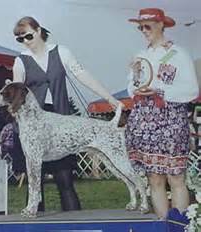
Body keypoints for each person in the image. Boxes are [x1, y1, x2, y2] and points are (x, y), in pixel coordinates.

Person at [12, 16, 122, 211]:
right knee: (34, 183)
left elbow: (83, 76)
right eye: (20, 39)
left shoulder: (61, 52)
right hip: (33, 124)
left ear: (38, 31)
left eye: (28, 36)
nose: (26, 42)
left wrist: (110, 98)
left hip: (61, 121)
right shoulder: (20, 61)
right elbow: (16, 90)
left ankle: (76, 226)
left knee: (65, 181)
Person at [125, 8, 199, 219]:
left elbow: (192, 90)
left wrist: (161, 91)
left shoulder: (179, 54)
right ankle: (163, 225)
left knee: (175, 178)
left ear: (161, 25)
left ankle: (181, 226)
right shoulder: (141, 56)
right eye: (140, 27)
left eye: (147, 26)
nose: (143, 30)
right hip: (144, 123)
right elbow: (131, 88)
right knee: (154, 178)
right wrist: (137, 83)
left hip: (172, 122)